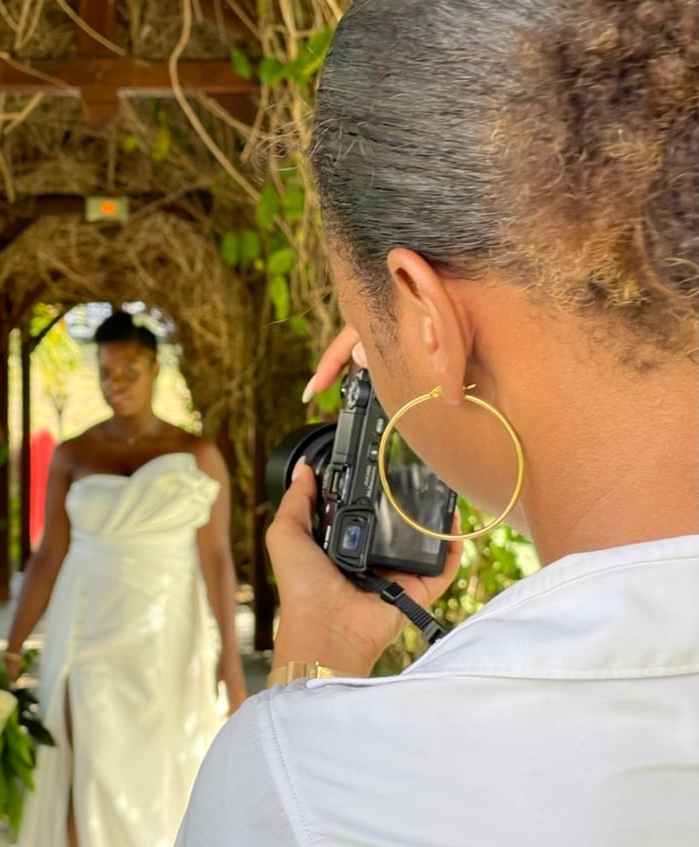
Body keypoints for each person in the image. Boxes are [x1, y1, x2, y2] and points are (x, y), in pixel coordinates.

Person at [176, 0, 699, 844]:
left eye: (363, 320)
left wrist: (315, 656)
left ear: (426, 313)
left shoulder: (315, 785)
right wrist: (418, 338)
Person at [4, 309, 247, 847]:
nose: (116, 385)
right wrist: (14, 645)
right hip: (86, 621)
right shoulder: (74, 454)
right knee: (83, 757)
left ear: (156, 370)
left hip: (167, 630)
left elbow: (217, 561)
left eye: (128, 372)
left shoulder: (197, 454)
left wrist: (230, 663)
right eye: (106, 373)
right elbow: (48, 557)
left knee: (161, 763)